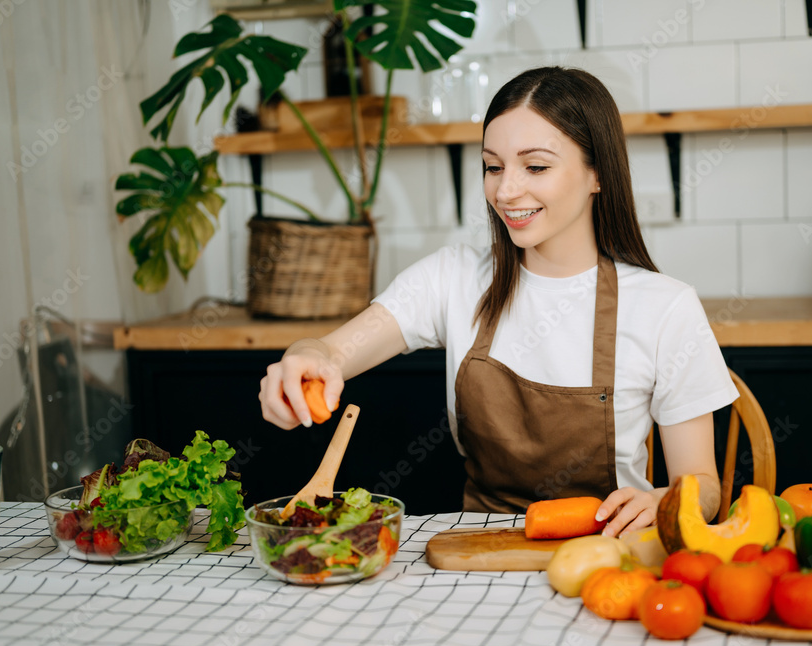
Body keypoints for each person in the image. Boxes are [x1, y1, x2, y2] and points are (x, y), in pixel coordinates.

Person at [259, 66, 738, 537]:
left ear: (597, 174)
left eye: (536, 167)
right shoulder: (453, 278)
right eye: (493, 166)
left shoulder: (664, 307)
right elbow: (334, 351)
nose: (506, 191)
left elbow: (704, 487)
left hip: (608, 553)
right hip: (481, 546)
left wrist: (662, 499)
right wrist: (306, 358)